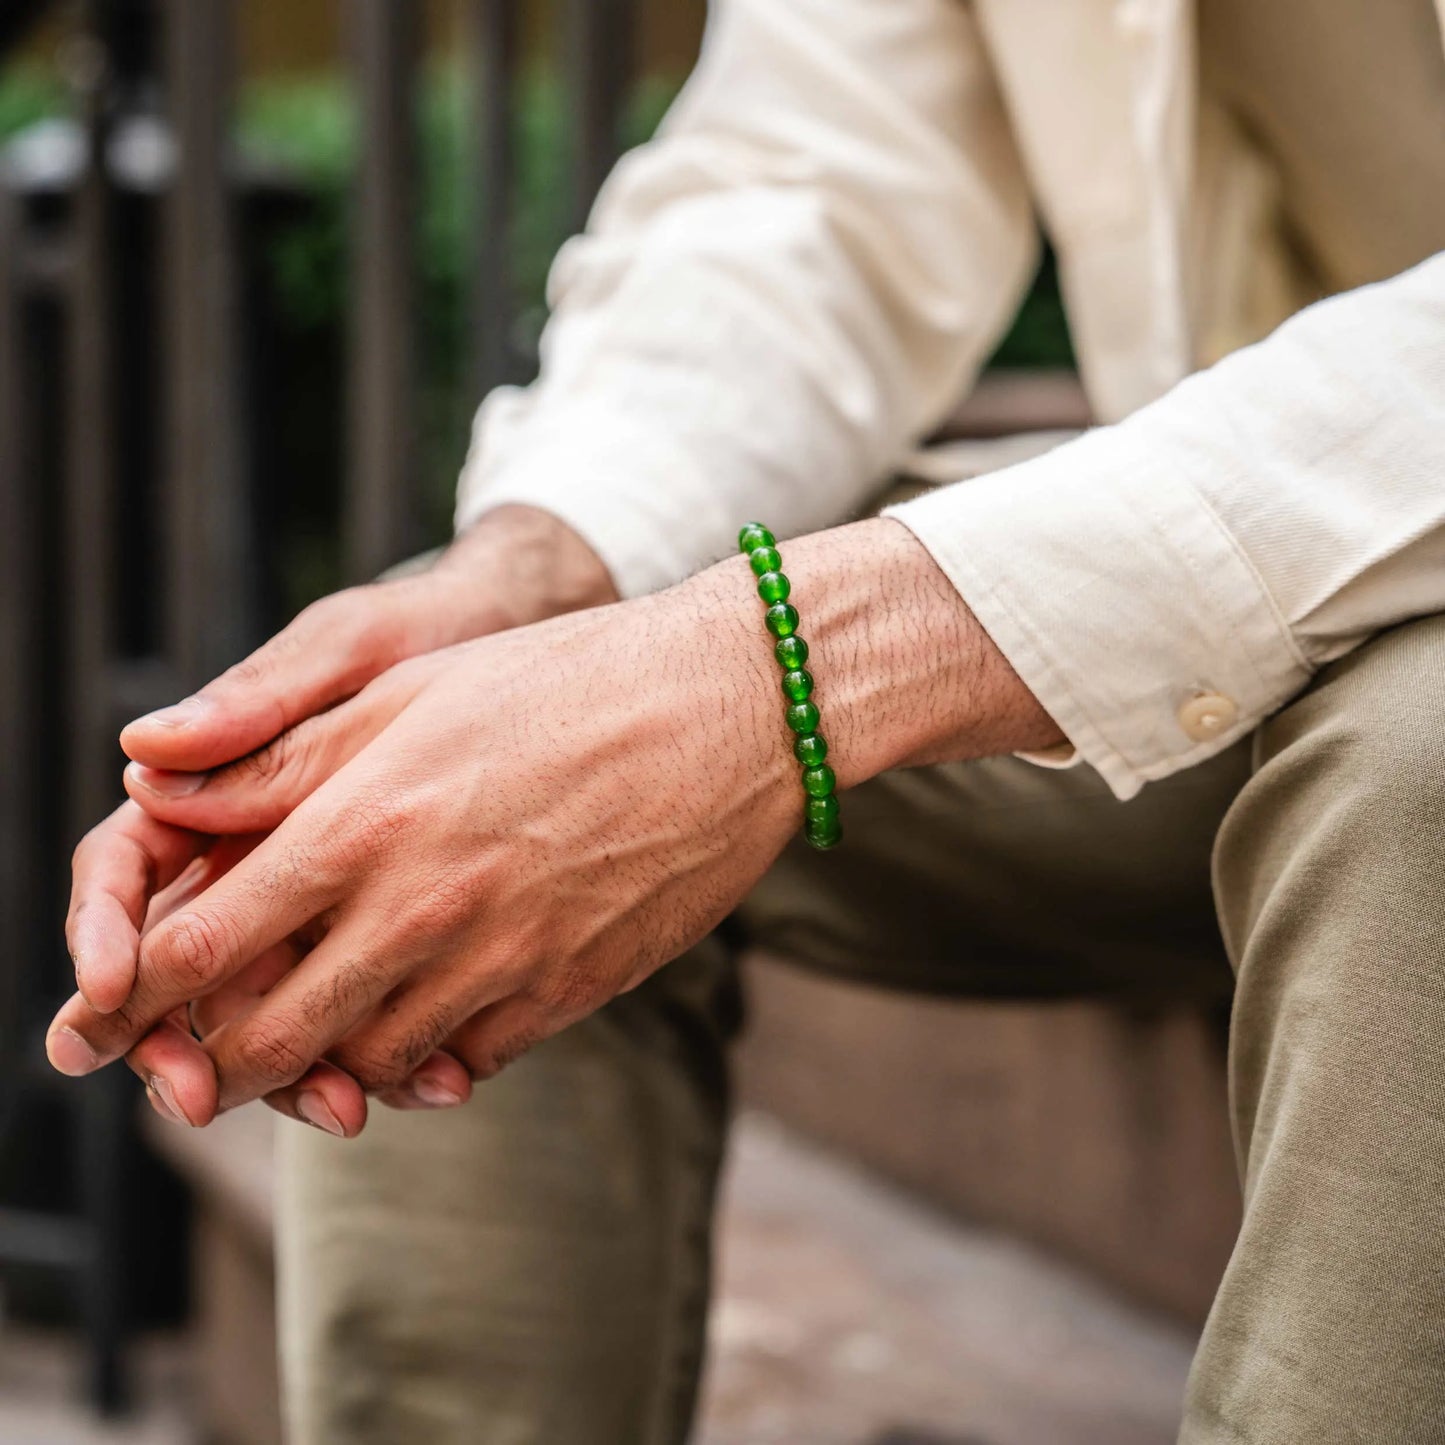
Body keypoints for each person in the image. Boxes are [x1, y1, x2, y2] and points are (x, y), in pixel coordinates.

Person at [46, 0, 1445, 1440]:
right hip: (1260, 547)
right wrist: (541, 567)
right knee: (478, 745)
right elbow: (818, 170)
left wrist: (790, 664)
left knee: (1421, 760)